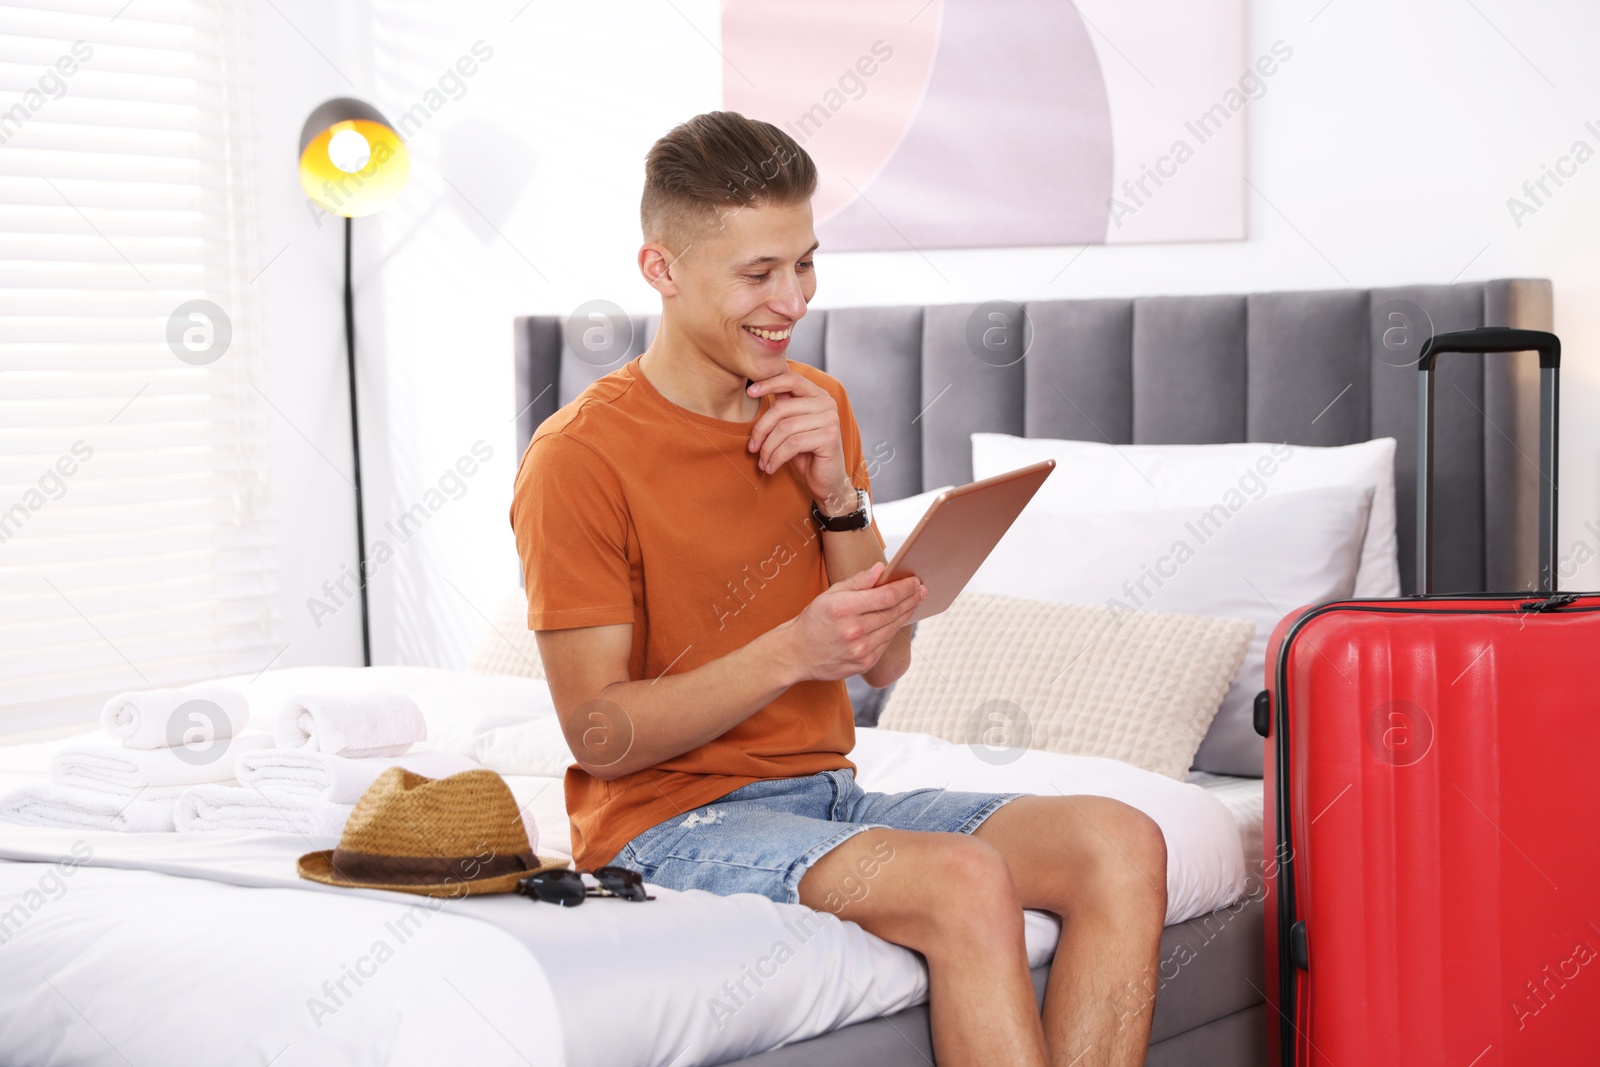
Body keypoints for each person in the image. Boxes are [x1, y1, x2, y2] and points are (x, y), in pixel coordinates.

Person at [510, 110, 1167, 1067]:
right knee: (962, 880)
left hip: (824, 795)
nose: (793, 300)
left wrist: (837, 494)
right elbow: (599, 737)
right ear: (661, 269)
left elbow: (887, 654)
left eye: (805, 263)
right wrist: (794, 650)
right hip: (668, 825)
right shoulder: (578, 458)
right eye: (758, 273)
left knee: (1121, 842)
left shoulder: (815, 408)